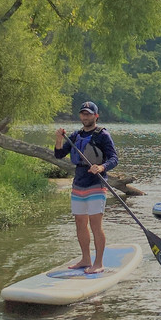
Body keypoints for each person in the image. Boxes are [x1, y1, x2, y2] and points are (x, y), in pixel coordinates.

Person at [54, 101, 118, 273]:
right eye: (83, 113)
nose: (85, 116)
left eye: (89, 114)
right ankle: (85, 259)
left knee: (95, 224)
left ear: (96, 116)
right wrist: (59, 138)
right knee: (80, 223)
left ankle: (98, 263)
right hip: (78, 185)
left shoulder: (103, 135)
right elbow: (59, 154)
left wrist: (101, 167)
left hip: (96, 184)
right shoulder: (75, 136)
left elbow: (114, 159)